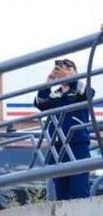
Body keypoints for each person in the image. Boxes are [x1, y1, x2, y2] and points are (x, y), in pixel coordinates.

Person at [35, 58, 95, 201]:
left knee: (79, 190)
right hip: (57, 147)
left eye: (68, 68)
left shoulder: (80, 88)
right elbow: (40, 103)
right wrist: (49, 82)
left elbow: (88, 94)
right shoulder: (55, 93)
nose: (64, 71)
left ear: (75, 72)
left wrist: (70, 79)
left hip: (77, 144)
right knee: (61, 194)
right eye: (61, 68)